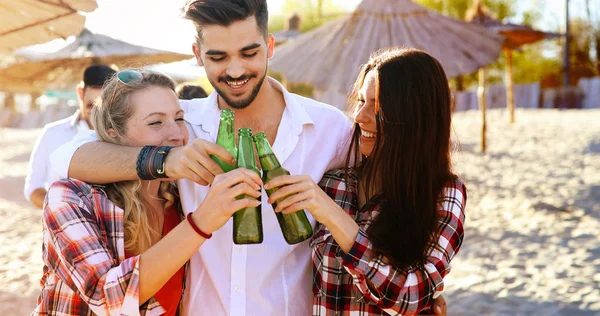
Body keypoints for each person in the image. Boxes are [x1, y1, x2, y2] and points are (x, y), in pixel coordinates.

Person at [49, 1, 447, 315]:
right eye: (218, 57)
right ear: (198, 54)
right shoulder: (181, 130)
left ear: (269, 46)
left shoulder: (330, 130)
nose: (236, 70)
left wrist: (427, 299)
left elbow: (396, 186)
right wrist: (167, 160)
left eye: (249, 52)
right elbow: (66, 158)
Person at [33, 70, 262, 315]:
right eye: (156, 122)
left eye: (179, 118)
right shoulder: (72, 197)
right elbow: (107, 298)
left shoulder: (179, 195)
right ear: (113, 132)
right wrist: (202, 221)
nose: (177, 134)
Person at [265, 48, 466, 315]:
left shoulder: (444, 195)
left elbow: (410, 295)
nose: (360, 116)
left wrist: (336, 218)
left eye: (379, 106)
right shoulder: (335, 180)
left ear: (415, 117)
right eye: (361, 101)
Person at [24, 64, 116, 209]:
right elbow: (33, 187)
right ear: (80, 93)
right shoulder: (52, 133)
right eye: (91, 105)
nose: (97, 113)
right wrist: (60, 212)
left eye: (104, 107)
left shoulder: (121, 138)